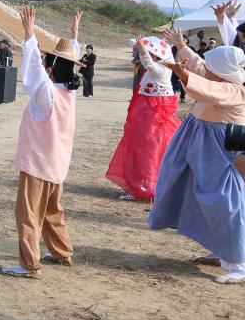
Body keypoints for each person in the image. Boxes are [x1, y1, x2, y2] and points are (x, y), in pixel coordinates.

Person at [150, 32, 245, 284]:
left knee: (225, 200)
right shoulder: (217, 76)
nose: (205, 69)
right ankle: (220, 251)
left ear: (223, 71)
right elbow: (200, 67)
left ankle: (238, 263)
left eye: (212, 67)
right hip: (205, 140)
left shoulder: (235, 89)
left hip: (225, 142)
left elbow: (207, 88)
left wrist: (183, 74)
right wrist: (181, 46)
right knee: (199, 194)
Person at [1, 8, 83, 279]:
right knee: (51, 211)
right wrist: (73, 36)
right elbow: (62, 63)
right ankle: (62, 252)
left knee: (28, 214)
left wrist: (29, 34)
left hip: (38, 165)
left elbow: (34, 70)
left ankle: (28, 264)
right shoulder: (69, 93)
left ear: (50, 70)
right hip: (57, 165)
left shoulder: (47, 92)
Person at [105, 35, 181, 202]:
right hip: (148, 109)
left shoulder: (163, 67)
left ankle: (146, 184)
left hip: (153, 111)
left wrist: (143, 50)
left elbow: (150, 66)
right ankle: (141, 183)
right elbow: (149, 65)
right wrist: (145, 51)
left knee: (150, 147)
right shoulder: (161, 64)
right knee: (144, 146)